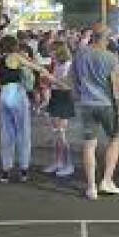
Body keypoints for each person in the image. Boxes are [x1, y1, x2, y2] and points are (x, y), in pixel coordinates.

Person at [72, 23, 119, 200]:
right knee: (114, 138)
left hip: (87, 103)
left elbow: (74, 77)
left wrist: (79, 94)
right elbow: (117, 87)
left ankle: (91, 187)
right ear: (105, 37)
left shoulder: (80, 53)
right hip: (106, 104)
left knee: (89, 144)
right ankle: (106, 180)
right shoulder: (110, 57)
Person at [0, 35, 59, 183]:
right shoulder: (16, 56)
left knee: (7, 132)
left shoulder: (0, 59)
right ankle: (23, 169)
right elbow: (36, 68)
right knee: (23, 132)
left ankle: (6, 170)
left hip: (4, 94)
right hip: (17, 93)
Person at [44, 41, 76, 177]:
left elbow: (68, 86)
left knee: (61, 133)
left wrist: (52, 79)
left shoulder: (68, 65)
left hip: (64, 98)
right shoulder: (57, 64)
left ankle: (68, 164)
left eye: (52, 50)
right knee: (56, 133)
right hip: (56, 96)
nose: (49, 53)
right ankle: (58, 162)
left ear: (59, 51)